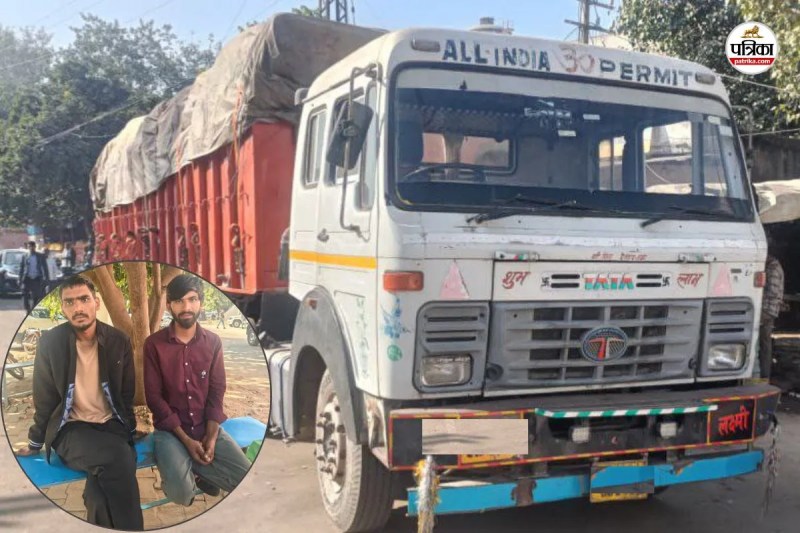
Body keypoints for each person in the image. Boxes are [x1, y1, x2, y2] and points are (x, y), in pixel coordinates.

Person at [15, 275, 143, 530]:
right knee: (119, 456)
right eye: (70, 302)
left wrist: (130, 429)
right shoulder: (51, 343)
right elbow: (44, 398)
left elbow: (126, 392)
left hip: (111, 425)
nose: (78, 308)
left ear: (96, 302)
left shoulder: (118, 340)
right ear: (63, 308)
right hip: (71, 429)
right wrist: (35, 442)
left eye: (84, 299)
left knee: (98, 496)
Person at [144, 274, 250, 506]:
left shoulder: (213, 342)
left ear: (200, 302)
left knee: (246, 479)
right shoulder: (154, 344)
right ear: (169, 305)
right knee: (182, 495)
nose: (186, 307)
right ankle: (185, 469)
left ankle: (195, 470)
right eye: (179, 301)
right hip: (171, 431)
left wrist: (210, 437)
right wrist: (186, 441)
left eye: (192, 299)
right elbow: (153, 397)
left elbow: (217, 390)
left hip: (205, 426)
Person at [760, 254, 785, 379]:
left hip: (767, 310)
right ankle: (763, 375)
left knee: (763, 344)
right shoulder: (773, 267)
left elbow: (772, 292)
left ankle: (763, 374)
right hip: (769, 310)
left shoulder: (773, 268)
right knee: (764, 344)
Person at [19, 241, 49, 313]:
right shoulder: (25, 256)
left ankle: (32, 308)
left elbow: (45, 268)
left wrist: (46, 278)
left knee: (36, 296)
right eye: (29, 247)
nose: (31, 248)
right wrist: (19, 279)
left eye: (32, 247)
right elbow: (21, 268)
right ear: (28, 247)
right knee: (25, 295)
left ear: (35, 247)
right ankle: (27, 308)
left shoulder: (40, 256)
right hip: (27, 278)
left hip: (36, 278)